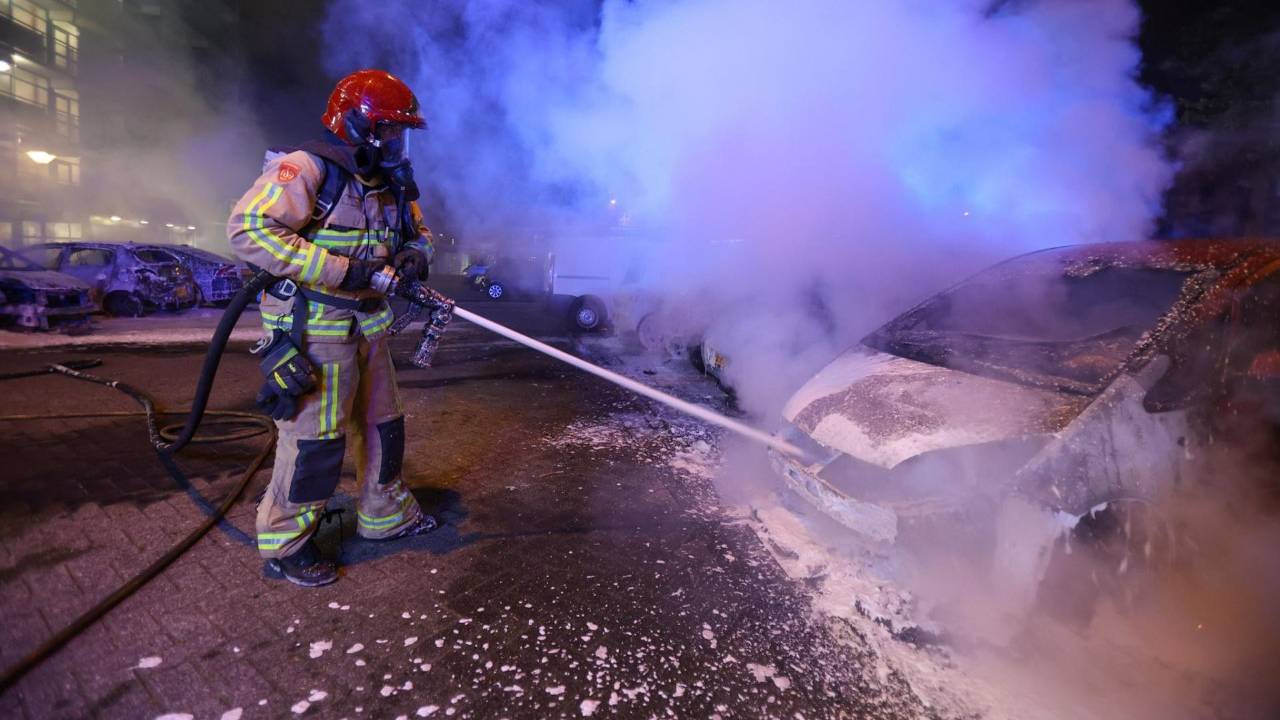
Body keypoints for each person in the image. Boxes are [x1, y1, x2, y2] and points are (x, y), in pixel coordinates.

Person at [226, 69, 438, 587]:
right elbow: (249, 229)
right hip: (316, 332)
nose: (395, 141)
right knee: (315, 442)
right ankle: (286, 543)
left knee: (384, 426)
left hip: (369, 327)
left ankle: (384, 516)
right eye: (388, 130)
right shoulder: (306, 170)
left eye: (400, 132)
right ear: (356, 124)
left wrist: (414, 255)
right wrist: (343, 271)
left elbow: (423, 233)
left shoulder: (392, 183)